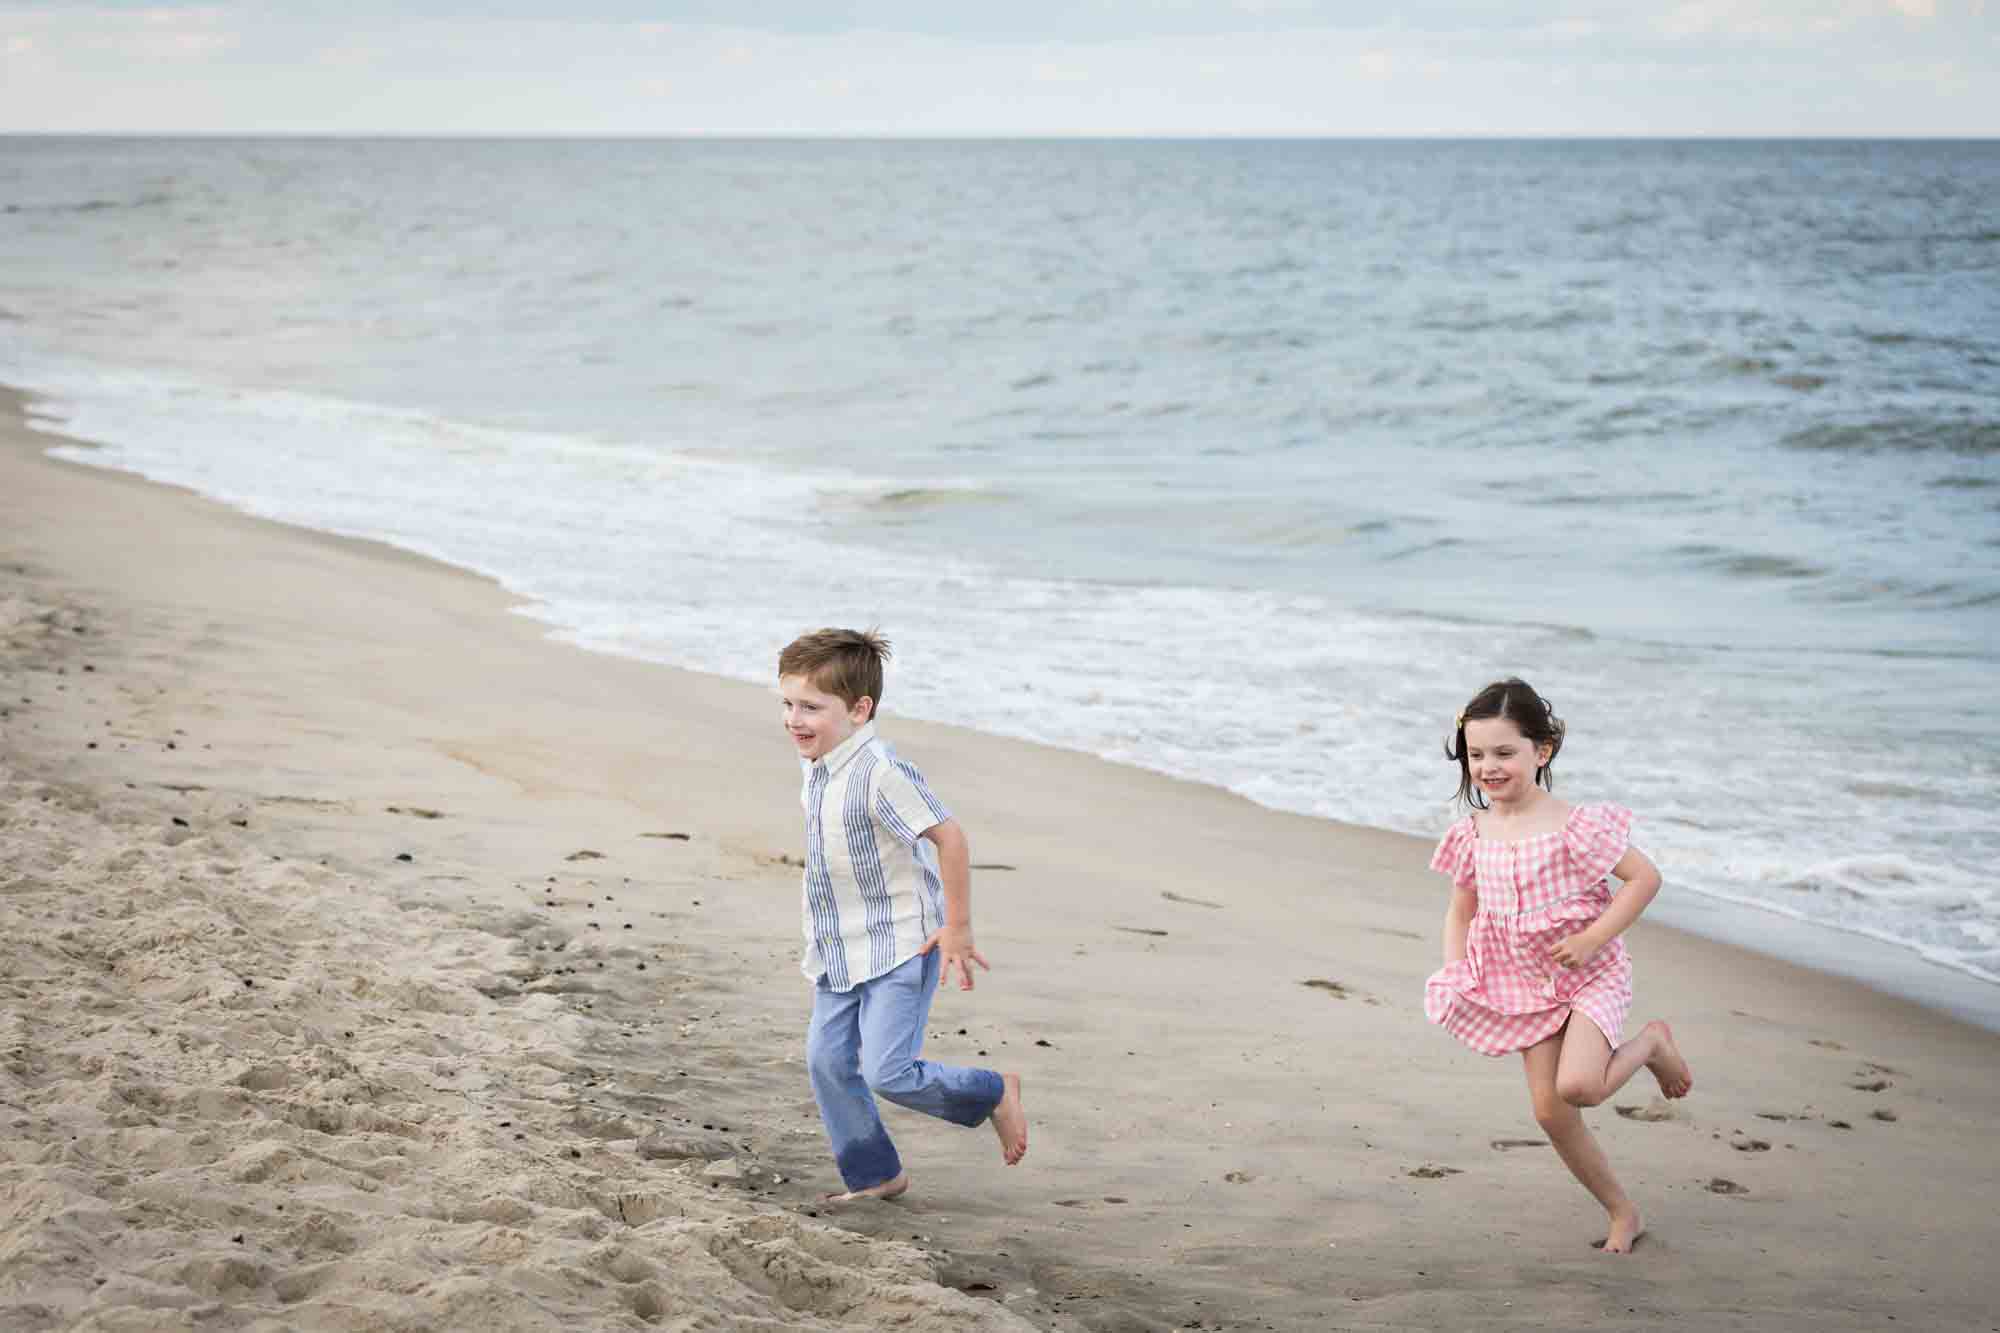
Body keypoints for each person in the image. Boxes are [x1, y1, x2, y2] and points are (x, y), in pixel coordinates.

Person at [1424, 677, 1692, 1254]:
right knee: (1551, 1112)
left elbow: (1644, 879)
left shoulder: (1575, 826)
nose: (1489, 767)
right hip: (1520, 981)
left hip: (1590, 972)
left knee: (1579, 1087)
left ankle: (1650, 1044)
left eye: (1504, 753)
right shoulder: (1472, 832)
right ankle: (1624, 1211)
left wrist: (1594, 937)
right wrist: (1455, 971)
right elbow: (1461, 910)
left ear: (1540, 751)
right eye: (1476, 755)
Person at [777, 627, 1029, 1203]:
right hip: (840, 945)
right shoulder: (819, 764)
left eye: (811, 707)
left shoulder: (879, 772)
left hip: (900, 946)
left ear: (860, 710)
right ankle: (875, 1174)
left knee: (887, 1072)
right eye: (788, 704)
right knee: (825, 1061)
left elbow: (951, 837)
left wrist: (958, 929)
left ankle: (992, 1091)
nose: (795, 718)